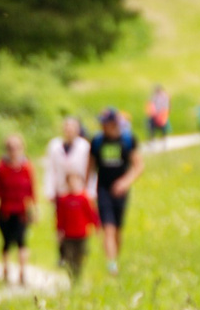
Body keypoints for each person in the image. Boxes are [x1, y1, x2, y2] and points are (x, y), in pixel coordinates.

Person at [90, 106, 145, 275]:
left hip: (121, 191)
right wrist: (86, 189)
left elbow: (138, 166)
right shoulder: (97, 141)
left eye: (106, 123)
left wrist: (125, 182)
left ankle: (115, 260)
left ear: (114, 123)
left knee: (118, 230)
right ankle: (111, 265)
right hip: (103, 189)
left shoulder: (127, 140)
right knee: (108, 228)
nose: (103, 126)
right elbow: (90, 167)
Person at [43, 114, 95, 282]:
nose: (69, 130)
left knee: (78, 223)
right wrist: (49, 191)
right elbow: (50, 169)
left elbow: (90, 170)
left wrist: (89, 191)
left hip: (79, 190)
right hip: (61, 191)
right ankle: (63, 254)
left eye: (72, 127)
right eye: (66, 127)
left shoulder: (84, 147)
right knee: (61, 225)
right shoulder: (54, 146)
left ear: (78, 129)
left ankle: (79, 253)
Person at [0, 133, 36, 285]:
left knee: (22, 241)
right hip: (5, 211)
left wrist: (34, 209)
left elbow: (31, 190)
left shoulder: (26, 167)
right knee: (6, 242)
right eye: (10, 148)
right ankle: (6, 270)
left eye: (17, 148)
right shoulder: (0, 168)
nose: (14, 151)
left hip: (22, 211)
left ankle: (23, 273)